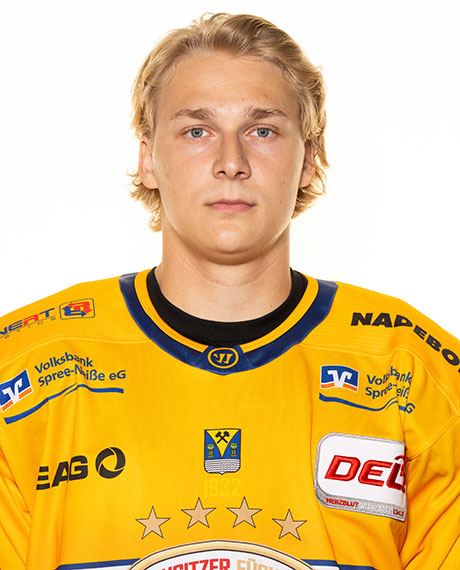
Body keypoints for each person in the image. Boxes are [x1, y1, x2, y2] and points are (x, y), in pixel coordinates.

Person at [0, 12, 459, 570]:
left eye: (262, 131)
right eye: (198, 131)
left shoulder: (416, 373)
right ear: (147, 159)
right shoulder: (24, 368)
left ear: (309, 160)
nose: (231, 163)